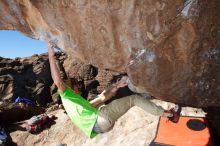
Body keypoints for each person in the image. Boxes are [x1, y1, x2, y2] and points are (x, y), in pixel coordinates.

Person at [48, 42, 180, 138]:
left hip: (101, 127)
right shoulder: (66, 95)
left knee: (118, 99)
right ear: (69, 88)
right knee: (134, 99)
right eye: (75, 84)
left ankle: (153, 103)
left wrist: (117, 86)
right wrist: (51, 56)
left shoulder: (78, 105)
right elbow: (58, 81)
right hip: (101, 120)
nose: (78, 86)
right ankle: (169, 114)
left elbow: (102, 98)